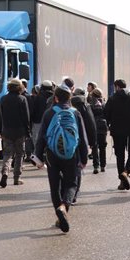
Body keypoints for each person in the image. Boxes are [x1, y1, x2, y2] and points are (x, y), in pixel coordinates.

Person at [34, 85, 88, 233]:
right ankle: (64, 207)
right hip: (72, 154)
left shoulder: (49, 113)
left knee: (54, 185)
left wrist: (38, 157)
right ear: (69, 97)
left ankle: (59, 213)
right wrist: (84, 158)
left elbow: (41, 137)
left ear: (56, 98)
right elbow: (82, 137)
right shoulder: (75, 113)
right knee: (71, 184)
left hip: (52, 154)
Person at [104, 79, 130, 190]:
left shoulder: (112, 99)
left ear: (117, 87)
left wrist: (111, 122)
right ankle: (126, 171)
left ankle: (122, 181)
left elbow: (106, 114)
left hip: (117, 131)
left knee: (120, 155)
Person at [0, 78, 31, 187]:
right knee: (19, 154)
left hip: (7, 131)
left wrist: (0, 131)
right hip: (20, 131)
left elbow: (0, 116)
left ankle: (5, 172)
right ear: (20, 87)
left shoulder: (3, 99)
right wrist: (28, 132)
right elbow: (26, 118)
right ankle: (17, 178)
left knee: (7, 154)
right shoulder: (22, 99)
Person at [71, 88, 97, 199]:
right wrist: (92, 141)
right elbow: (91, 125)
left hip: (68, 141)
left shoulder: (69, 107)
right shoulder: (86, 106)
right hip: (81, 141)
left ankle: (66, 190)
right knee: (78, 166)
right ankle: (75, 192)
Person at [88, 88, 108, 173]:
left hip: (94, 126)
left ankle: (96, 166)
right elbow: (107, 114)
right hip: (103, 126)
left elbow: (89, 116)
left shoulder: (90, 104)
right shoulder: (104, 103)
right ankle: (103, 166)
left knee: (95, 147)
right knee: (102, 147)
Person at [21, 79, 34, 161]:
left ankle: (28, 155)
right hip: (27, 120)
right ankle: (28, 154)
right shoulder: (28, 96)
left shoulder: (26, 96)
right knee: (27, 137)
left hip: (22, 121)